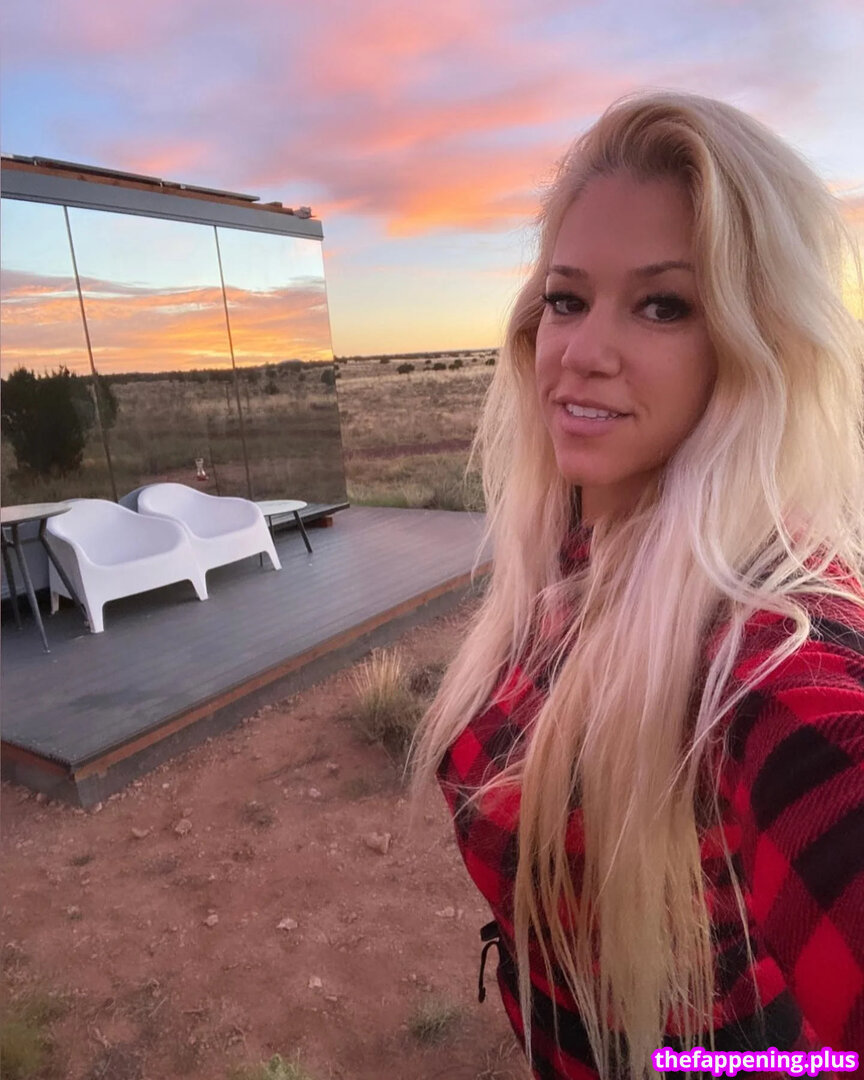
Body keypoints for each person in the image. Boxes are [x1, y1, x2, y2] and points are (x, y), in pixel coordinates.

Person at [408, 90, 864, 1080]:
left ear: (756, 344)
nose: (581, 352)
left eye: (663, 305)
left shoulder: (765, 649)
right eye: (566, 299)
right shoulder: (570, 546)